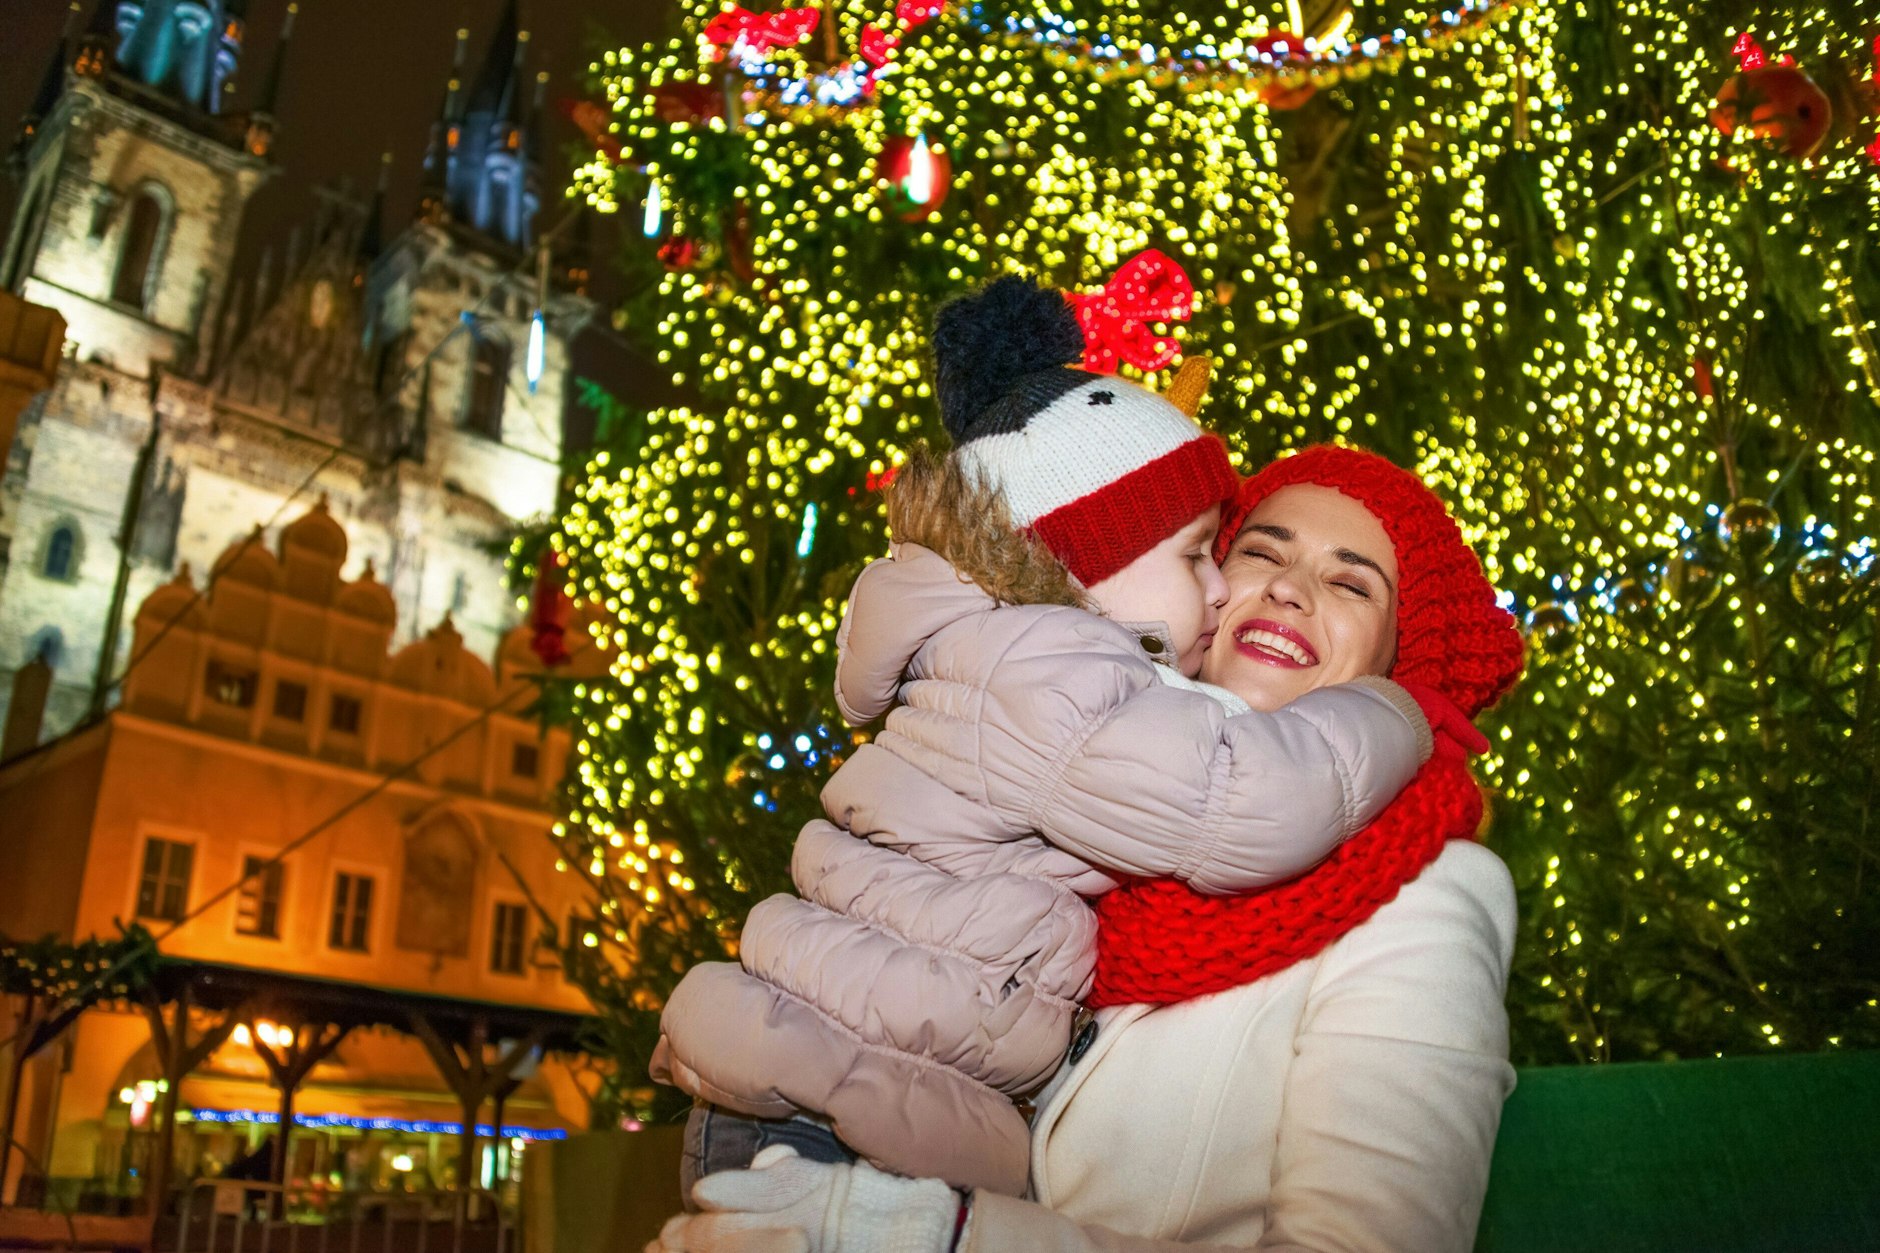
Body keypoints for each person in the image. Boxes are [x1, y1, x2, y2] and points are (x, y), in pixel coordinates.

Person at [652, 278, 1437, 1210]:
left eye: (1353, 585)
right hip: (830, 1105)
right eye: (1205, 555)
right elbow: (1245, 802)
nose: (1227, 590)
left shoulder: (1005, 651)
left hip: (835, 1075)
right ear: (1084, 569)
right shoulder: (1052, 671)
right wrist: (1401, 708)